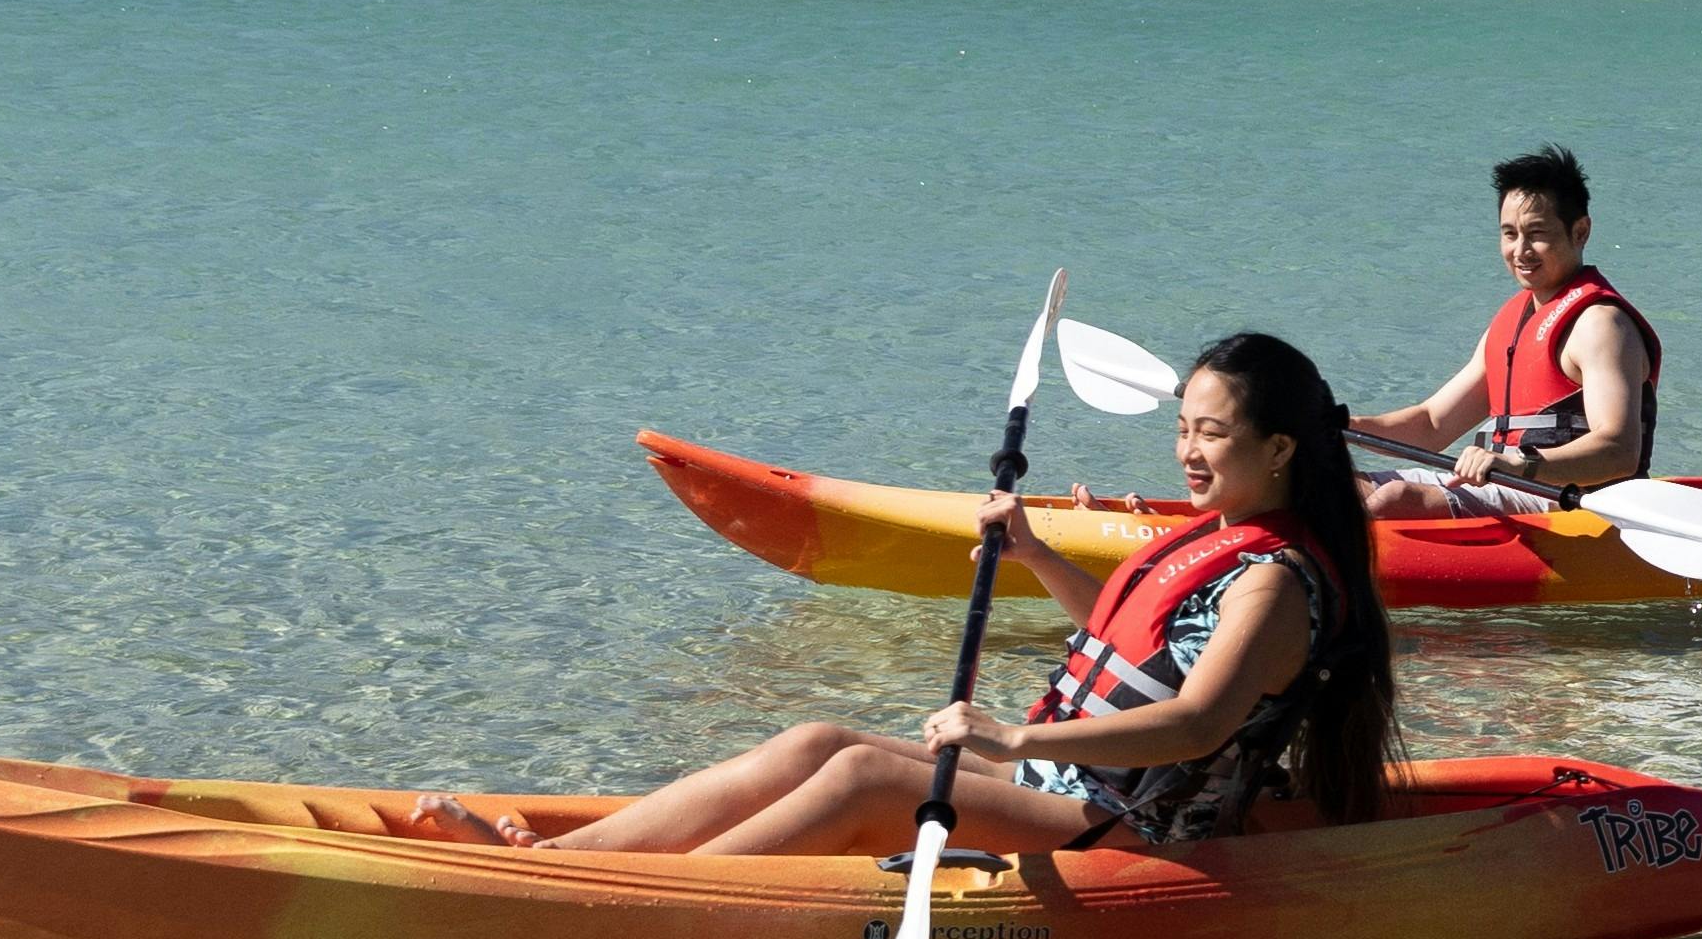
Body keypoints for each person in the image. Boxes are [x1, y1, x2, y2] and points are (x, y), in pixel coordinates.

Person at [525, 330, 1402, 857]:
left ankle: (639, 895)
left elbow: (1197, 724)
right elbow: (1130, 645)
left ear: (1280, 447)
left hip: (1127, 822)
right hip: (1062, 779)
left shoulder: (1274, 584)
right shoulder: (1216, 537)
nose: (1187, 451)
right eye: (1182, 430)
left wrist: (1010, 733)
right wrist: (1034, 552)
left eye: (1211, 434)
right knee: (816, 740)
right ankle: (560, 859)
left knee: (867, 775)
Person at [1359, 144, 1660, 516]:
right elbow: (1431, 425)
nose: (1521, 250)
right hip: (1512, 485)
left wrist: (1521, 465)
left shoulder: (1601, 325)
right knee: (1349, 486)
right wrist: (1339, 425)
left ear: (1580, 231)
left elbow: (1619, 451)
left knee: (1396, 501)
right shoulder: (1513, 323)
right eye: (1509, 234)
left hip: (1579, 503)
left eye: (1536, 233)